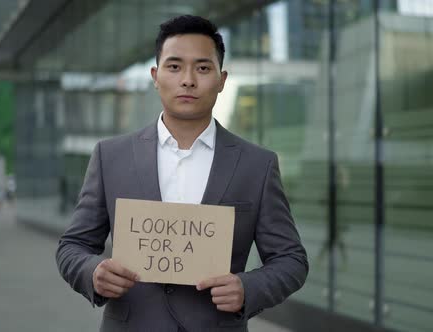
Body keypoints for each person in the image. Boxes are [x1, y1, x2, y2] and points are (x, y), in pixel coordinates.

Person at [56, 15, 308, 332]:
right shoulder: (111, 156)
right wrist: (92, 272)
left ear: (222, 78)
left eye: (202, 68)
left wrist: (248, 288)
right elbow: (72, 247)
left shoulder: (257, 165)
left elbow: (291, 260)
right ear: (155, 75)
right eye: (174, 67)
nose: (188, 79)